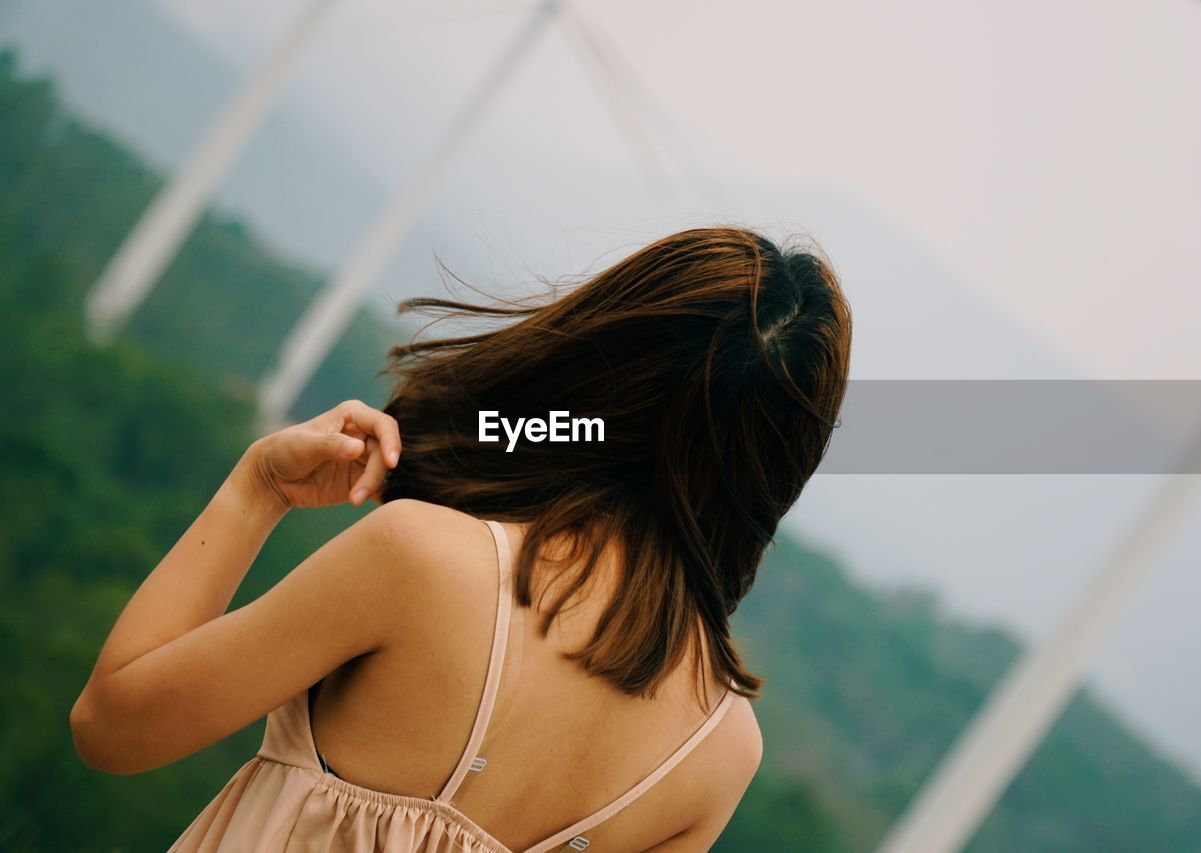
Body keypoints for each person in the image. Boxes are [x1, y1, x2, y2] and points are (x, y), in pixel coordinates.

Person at [70, 226, 853, 851]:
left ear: (600, 360)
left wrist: (257, 489)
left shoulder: (424, 561)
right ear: (776, 469)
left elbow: (113, 727)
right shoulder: (719, 753)